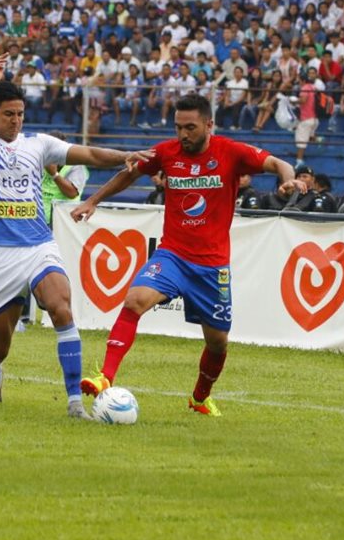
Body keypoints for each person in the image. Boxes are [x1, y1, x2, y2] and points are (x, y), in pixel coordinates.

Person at [71, 93, 304, 417]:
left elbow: (278, 163)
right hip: (173, 255)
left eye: (190, 127)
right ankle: (105, 377)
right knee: (135, 300)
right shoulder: (167, 152)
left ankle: (199, 397)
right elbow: (130, 172)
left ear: (209, 125)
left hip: (211, 266)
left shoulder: (231, 152)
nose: (183, 134)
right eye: (178, 127)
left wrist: (288, 180)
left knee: (217, 342)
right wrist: (93, 200)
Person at [0, 56, 149, 420]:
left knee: (61, 307)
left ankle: (75, 404)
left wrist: (125, 156)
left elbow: (89, 153)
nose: (16, 120)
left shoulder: (39, 144)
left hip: (39, 245)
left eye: (20, 114)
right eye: (8, 114)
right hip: (0, 255)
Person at [39, 130, 89, 225]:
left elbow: (72, 193)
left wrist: (54, 174)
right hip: (38, 220)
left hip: (63, 222)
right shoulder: (39, 161)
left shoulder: (76, 165)